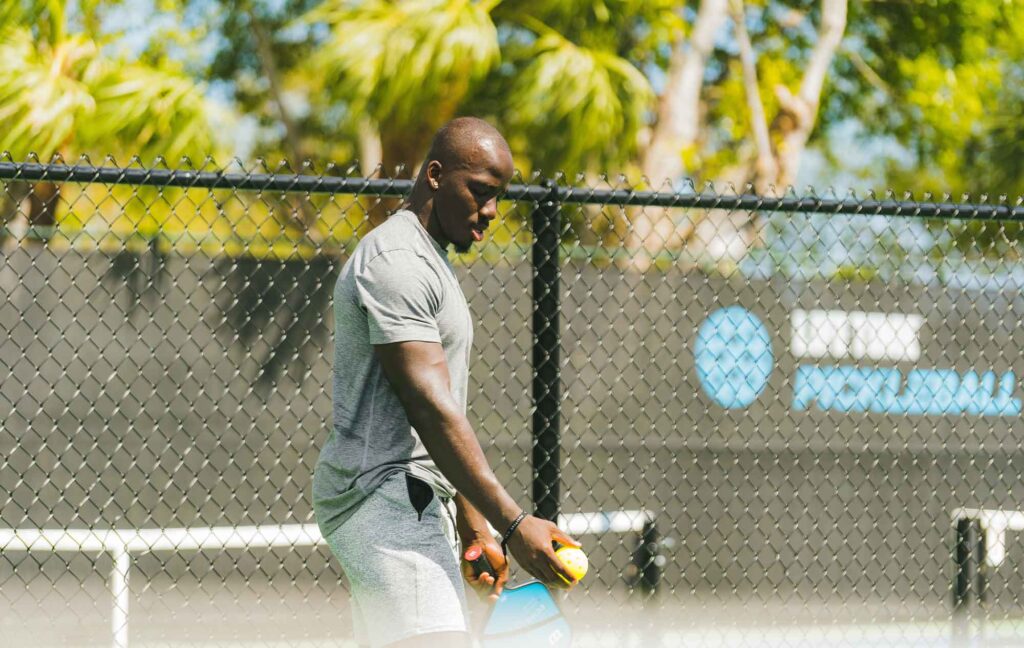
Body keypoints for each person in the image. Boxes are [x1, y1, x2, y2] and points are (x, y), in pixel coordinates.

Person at [313, 116, 579, 648]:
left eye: (499, 198)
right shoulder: (397, 260)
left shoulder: (429, 260)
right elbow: (430, 408)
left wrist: (473, 523)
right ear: (435, 175)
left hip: (409, 498)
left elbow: (441, 413)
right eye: (480, 192)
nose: (490, 213)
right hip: (382, 496)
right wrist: (513, 523)